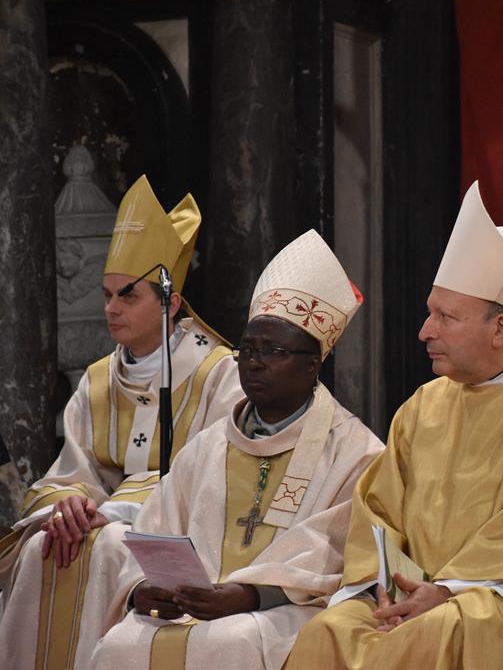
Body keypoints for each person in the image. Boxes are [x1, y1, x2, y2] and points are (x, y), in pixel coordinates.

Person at [283, 181, 503, 669]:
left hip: (499, 594)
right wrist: (383, 584)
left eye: (445, 317)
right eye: (429, 312)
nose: (424, 331)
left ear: (500, 329)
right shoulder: (425, 404)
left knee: (437, 632)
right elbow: (378, 509)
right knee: (328, 631)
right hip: (407, 591)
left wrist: (448, 590)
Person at [90, 230, 383, 669]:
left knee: (234, 640)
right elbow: (156, 529)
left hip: (286, 611)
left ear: (311, 365)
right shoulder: (207, 447)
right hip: (192, 608)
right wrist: (142, 589)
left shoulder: (355, 452)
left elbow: (341, 557)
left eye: (273, 350)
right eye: (247, 348)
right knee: (119, 645)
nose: (254, 362)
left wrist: (250, 594)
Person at [0, 176, 242, 669]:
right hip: (103, 524)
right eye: (107, 294)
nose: (110, 309)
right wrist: (69, 504)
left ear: (171, 303)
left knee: (111, 543)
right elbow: (71, 475)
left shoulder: (220, 375)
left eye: (128, 296)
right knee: (44, 545)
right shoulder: (97, 381)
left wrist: (111, 511)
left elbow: (217, 480)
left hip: (179, 532)